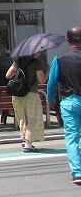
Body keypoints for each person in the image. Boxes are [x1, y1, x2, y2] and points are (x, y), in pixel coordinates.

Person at [46, 26, 81, 186]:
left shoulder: (59, 60)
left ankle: (77, 172)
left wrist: (50, 100)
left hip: (69, 102)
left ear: (67, 40)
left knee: (72, 138)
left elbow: (51, 83)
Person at [5, 53, 46, 152]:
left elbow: (8, 75)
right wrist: (47, 70)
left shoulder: (17, 62)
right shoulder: (36, 63)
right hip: (31, 93)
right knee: (33, 119)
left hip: (17, 94)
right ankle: (28, 144)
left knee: (23, 118)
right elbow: (42, 80)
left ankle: (25, 139)